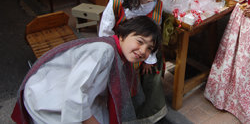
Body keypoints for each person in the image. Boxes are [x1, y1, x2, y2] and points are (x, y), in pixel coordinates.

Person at [11, 16, 162, 124]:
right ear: (122, 36)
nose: (143, 51)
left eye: (149, 48)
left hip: (69, 91)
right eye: (140, 42)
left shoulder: (120, 57)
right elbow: (74, 94)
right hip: (48, 98)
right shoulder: (104, 51)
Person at [99, 0, 172, 123]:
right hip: (119, 53)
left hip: (145, 52)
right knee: (120, 87)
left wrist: (150, 59)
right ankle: (121, 115)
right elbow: (105, 32)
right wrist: (112, 59)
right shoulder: (117, 3)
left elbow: (154, 34)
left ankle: (147, 115)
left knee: (150, 78)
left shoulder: (157, 6)